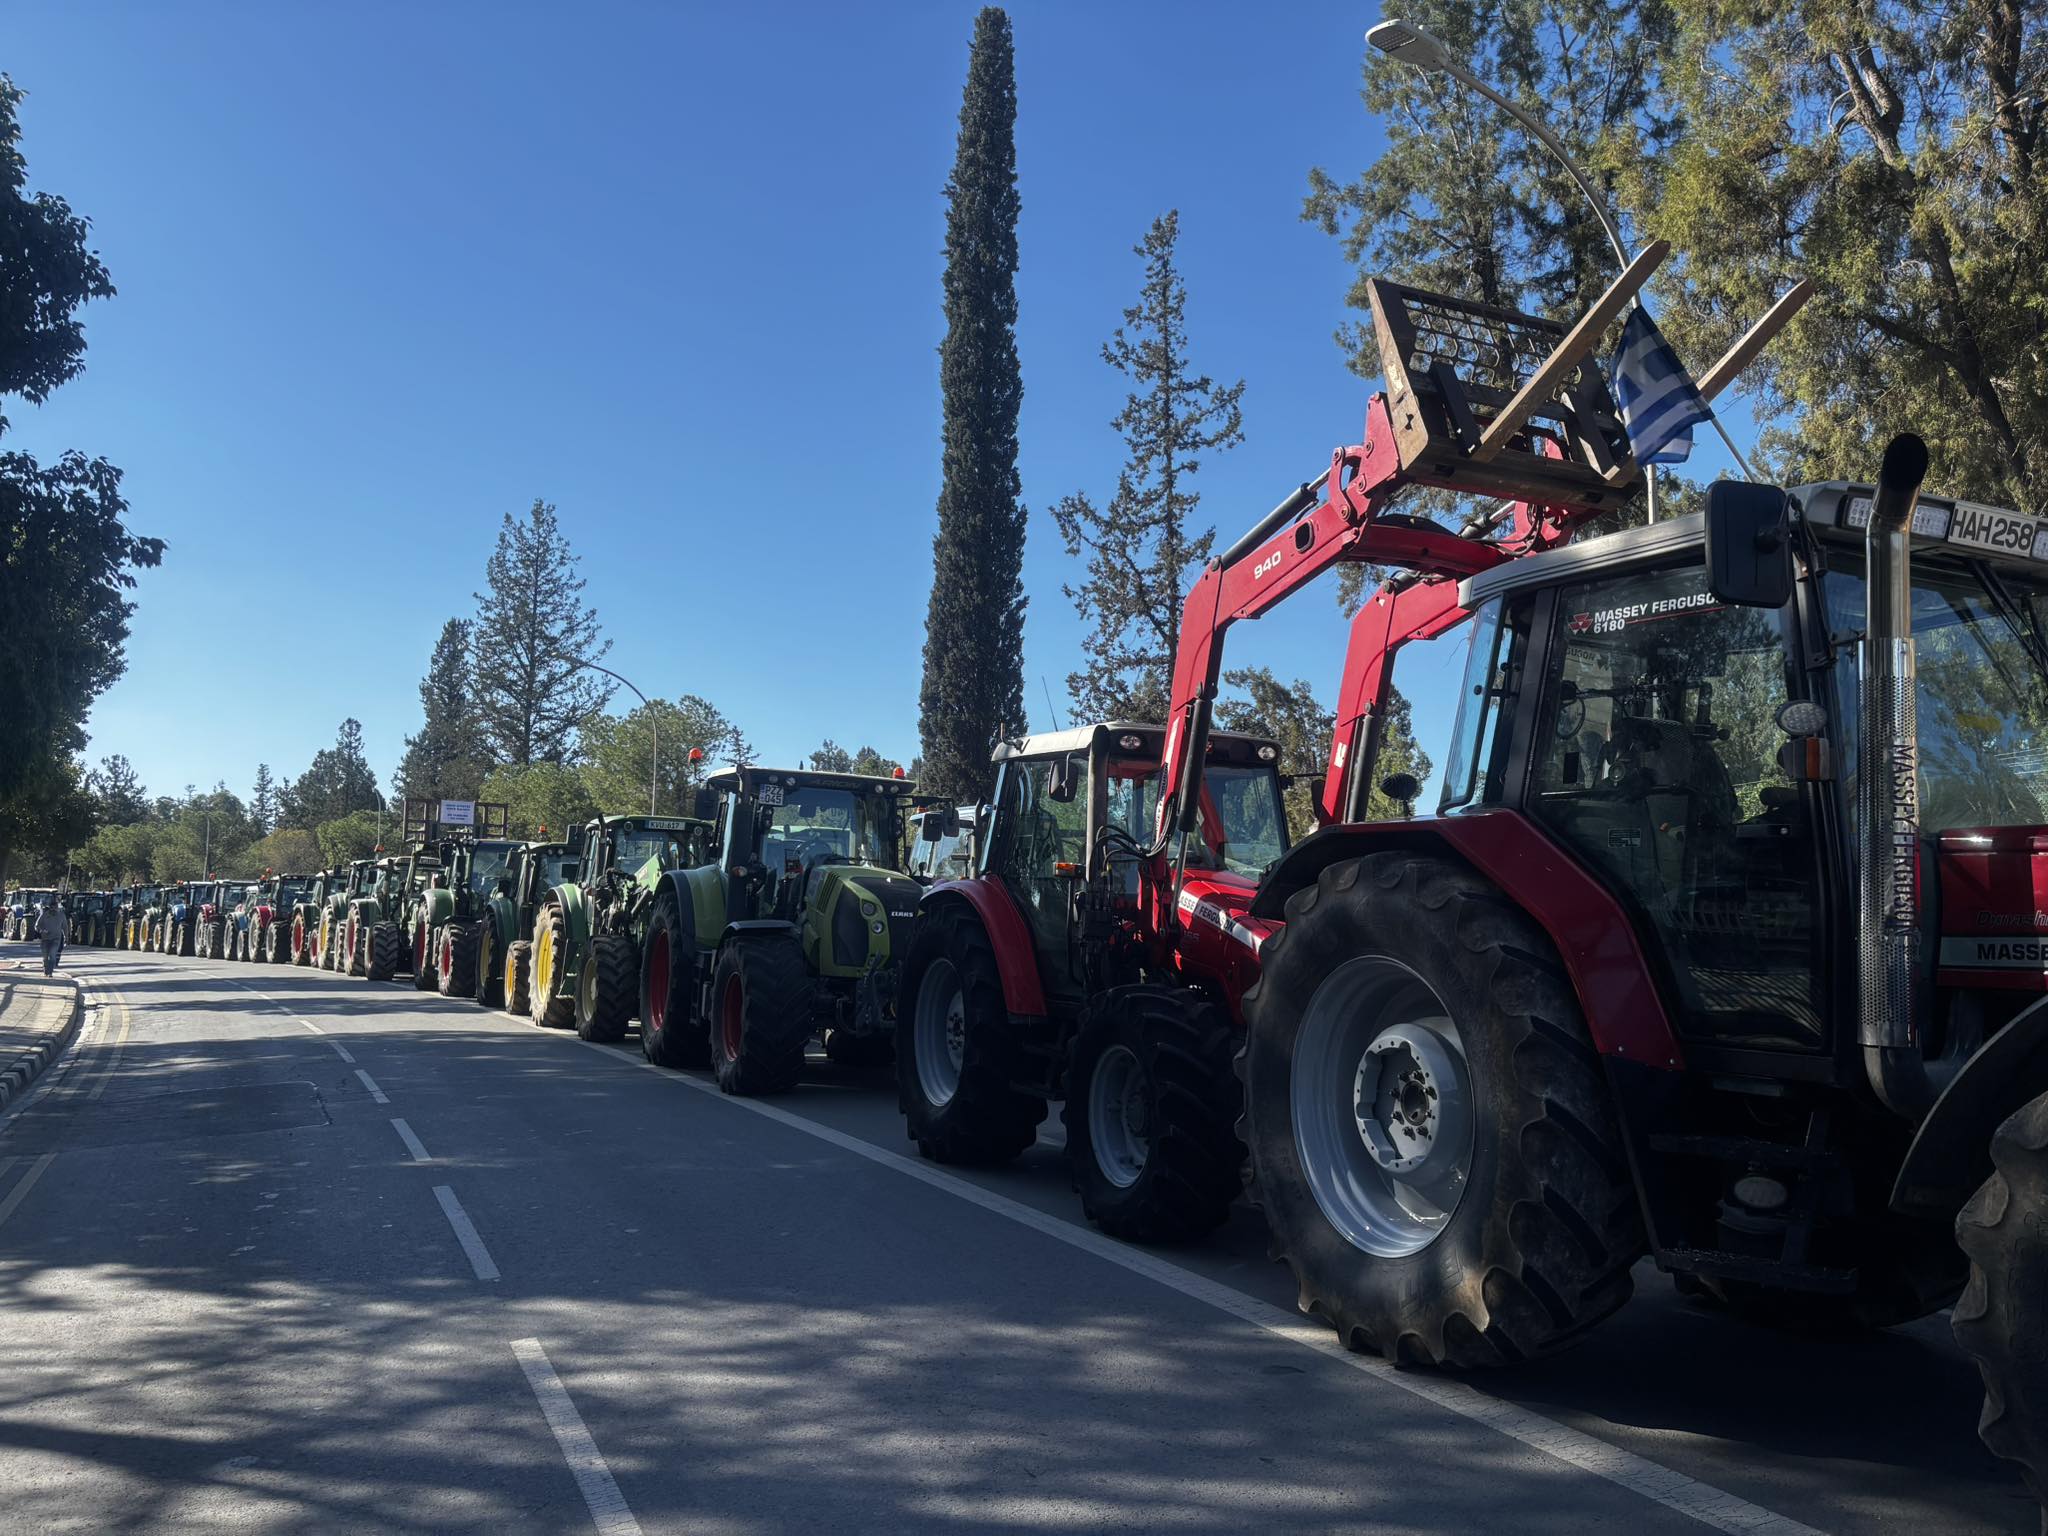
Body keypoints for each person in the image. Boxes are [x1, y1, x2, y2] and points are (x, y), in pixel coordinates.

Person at [34, 893, 68, 977]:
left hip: (56, 939)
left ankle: (50, 973)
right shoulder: (44, 915)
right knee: (45, 958)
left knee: (52, 956)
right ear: (50, 907)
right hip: (45, 939)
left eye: (56, 908)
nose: (54, 909)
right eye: (52, 908)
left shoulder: (61, 916)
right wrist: (42, 931)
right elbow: (37, 926)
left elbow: (65, 927)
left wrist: (67, 937)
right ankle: (46, 971)